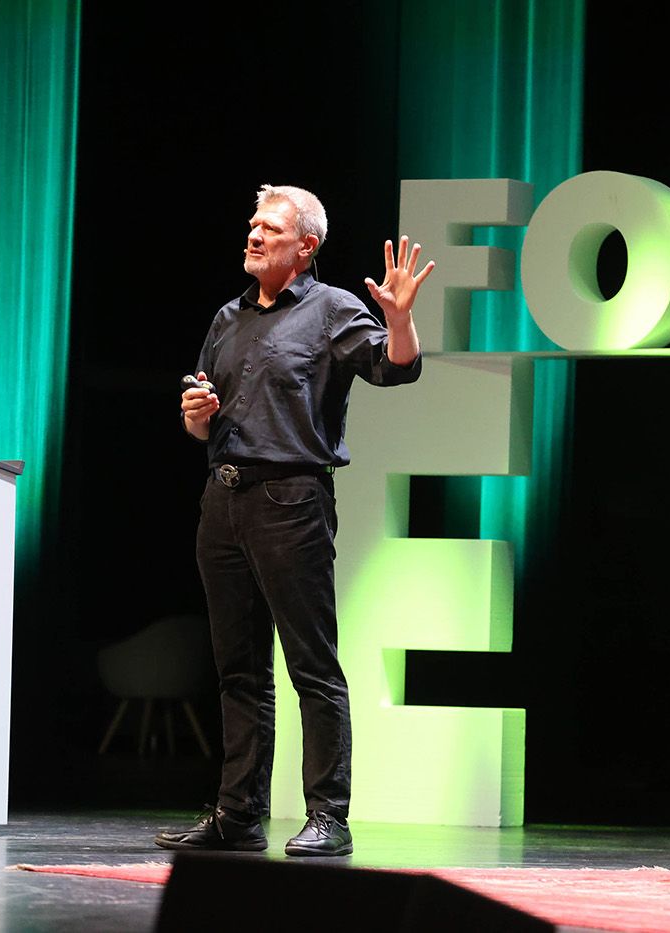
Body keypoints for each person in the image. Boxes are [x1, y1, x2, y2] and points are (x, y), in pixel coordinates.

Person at [155, 184, 434, 858]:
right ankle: (237, 814)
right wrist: (197, 420)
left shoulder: (333, 310)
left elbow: (398, 369)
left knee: (311, 665)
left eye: (270, 227)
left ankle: (328, 815)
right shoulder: (228, 317)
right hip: (222, 502)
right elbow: (208, 414)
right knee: (238, 670)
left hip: (292, 503)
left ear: (305, 246)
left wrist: (398, 319)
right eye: (251, 222)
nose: (252, 234)